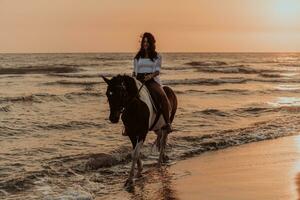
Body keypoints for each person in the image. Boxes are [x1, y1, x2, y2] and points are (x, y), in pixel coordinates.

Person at [132, 32, 172, 133]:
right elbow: (135, 71)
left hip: (152, 80)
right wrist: (133, 79)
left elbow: (157, 71)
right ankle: (128, 125)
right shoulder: (137, 57)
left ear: (151, 43)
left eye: (147, 42)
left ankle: (167, 123)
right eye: (144, 42)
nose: (145, 44)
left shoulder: (157, 56)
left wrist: (149, 76)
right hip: (139, 79)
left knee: (162, 96)